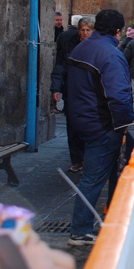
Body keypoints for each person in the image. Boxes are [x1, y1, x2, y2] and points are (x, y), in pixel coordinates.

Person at [66, 9, 134, 245]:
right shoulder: (111, 55)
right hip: (101, 124)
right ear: (118, 31)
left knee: (115, 167)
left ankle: (114, 215)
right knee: (94, 177)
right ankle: (80, 230)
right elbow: (119, 96)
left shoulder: (82, 48)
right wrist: (125, 123)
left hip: (82, 119)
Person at [51, 16, 95, 173]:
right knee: (73, 126)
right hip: (72, 90)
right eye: (82, 30)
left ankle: (88, 159)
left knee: (90, 127)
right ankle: (77, 159)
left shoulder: (97, 46)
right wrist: (55, 88)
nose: (85, 33)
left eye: (88, 30)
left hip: (90, 92)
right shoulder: (69, 42)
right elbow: (60, 66)